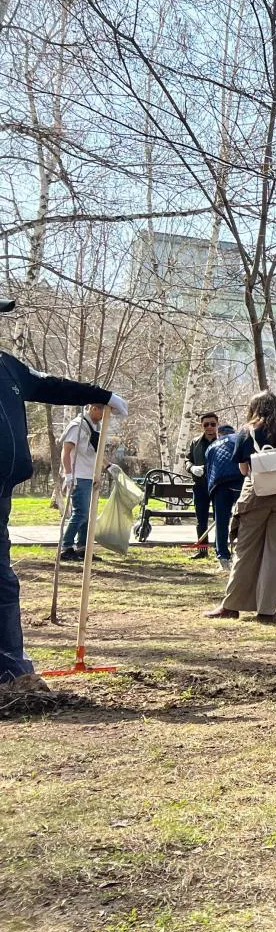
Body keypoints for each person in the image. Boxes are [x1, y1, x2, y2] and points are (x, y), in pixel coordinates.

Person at [0, 296, 127, 695]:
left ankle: (10, 670)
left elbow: (47, 385)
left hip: (1, 491)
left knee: (3, 582)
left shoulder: (6, 365)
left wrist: (101, 394)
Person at [203, 391, 276, 622]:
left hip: (255, 496)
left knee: (245, 550)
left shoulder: (246, 432)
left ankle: (231, 605)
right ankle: (266, 610)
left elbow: (243, 470)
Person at [59, 402, 108, 562]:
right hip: (78, 475)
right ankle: (66, 548)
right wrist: (69, 475)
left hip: (89, 475)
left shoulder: (93, 427)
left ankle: (82, 548)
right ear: (94, 409)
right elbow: (66, 452)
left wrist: (108, 466)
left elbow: (94, 453)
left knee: (87, 515)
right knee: (80, 513)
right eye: (102, 413)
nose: (104, 417)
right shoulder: (77, 426)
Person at [204, 422, 242, 570]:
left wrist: (211, 492)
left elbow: (209, 470)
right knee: (245, 517)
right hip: (239, 480)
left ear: (219, 434)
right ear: (233, 431)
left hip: (219, 485)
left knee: (221, 522)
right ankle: (243, 552)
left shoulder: (210, 448)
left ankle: (223, 557)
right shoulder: (240, 438)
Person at [182, 412, 219, 559]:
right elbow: (187, 460)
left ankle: (220, 550)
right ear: (201, 426)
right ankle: (202, 550)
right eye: (206, 425)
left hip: (219, 487)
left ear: (217, 424)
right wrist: (192, 468)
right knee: (201, 520)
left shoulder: (224, 441)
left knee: (220, 519)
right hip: (200, 486)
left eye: (212, 424)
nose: (209, 427)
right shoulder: (195, 442)